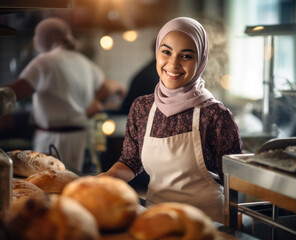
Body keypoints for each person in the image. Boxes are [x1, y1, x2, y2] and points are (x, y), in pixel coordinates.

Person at [98, 17, 243, 223]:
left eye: (186, 56)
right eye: (166, 52)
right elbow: (130, 162)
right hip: (158, 220)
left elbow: (234, 182)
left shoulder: (215, 116)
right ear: (157, 52)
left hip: (207, 224)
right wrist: (104, 179)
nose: (173, 64)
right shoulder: (142, 108)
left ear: (200, 60)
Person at [5, 17, 126, 173]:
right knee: (81, 186)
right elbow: (108, 88)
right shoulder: (85, 62)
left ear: (44, 38)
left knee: (52, 186)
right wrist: (95, 101)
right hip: (83, 139)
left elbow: (13, 93)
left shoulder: (44, 61)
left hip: (54, 142)